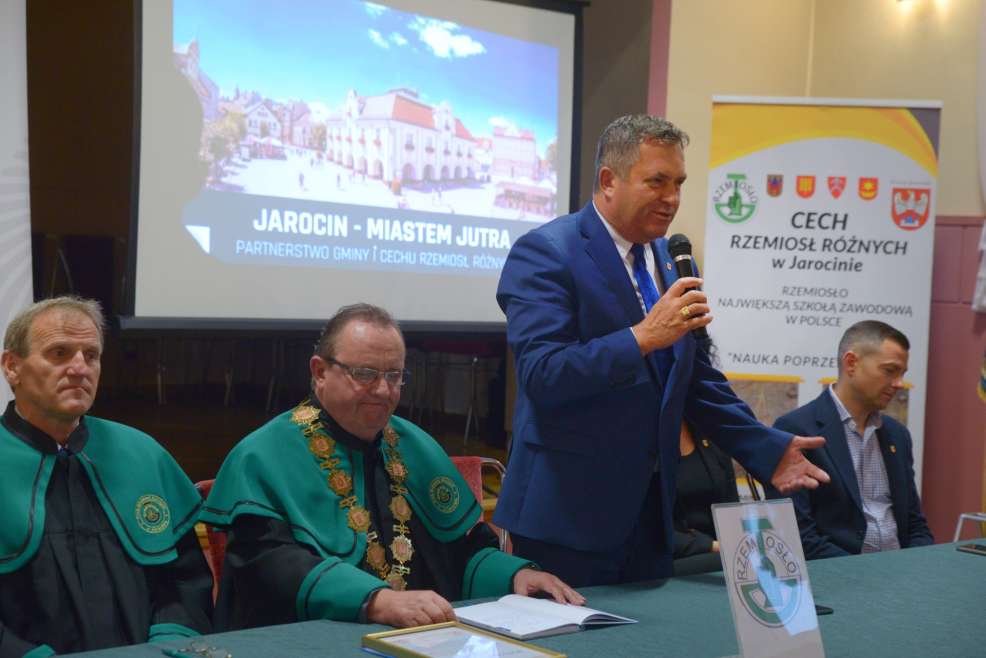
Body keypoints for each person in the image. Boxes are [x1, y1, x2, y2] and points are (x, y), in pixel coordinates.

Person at [494, 114, 829, 586]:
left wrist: (766, 449)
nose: (672, 198)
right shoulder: (547, 252)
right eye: (657, 181)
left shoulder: (667, 258)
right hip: (567, 516)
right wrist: (643, 337)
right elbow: (543, 374)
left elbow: (694, 378)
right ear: (608, 180)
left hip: (653, 517)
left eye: (679, 183)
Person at [203, 304, 582, 630]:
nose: (384, 391)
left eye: (394, 376)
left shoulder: (414, 446)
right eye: (365, 374)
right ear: (319, 372)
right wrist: (375, 601)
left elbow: (463, 554)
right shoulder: (264, 456)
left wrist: (516, 575)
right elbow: (270, 567)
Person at [0, 297, 212, 657]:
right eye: (59, 353)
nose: (79, 368)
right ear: (12, 367)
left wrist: (167, 641)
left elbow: (186, 580)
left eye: (91, 355)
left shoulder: (143, 455)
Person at [767, 320, 934, 559]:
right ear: (851, 363)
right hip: (839, 574)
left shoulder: (897, 435)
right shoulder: (796, 430)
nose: (899, 384)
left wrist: (918, 564)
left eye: (902, 374)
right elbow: (799, 538)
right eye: (890, 371)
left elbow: (915, 524)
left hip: (901, 571)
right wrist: (865, 573)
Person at [672, 422, 738, 576]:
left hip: (721, 553)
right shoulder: (634, 442)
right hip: (669, 557)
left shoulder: (709, 431)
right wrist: (711, 545)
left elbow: (732, 509)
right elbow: (644, 532)